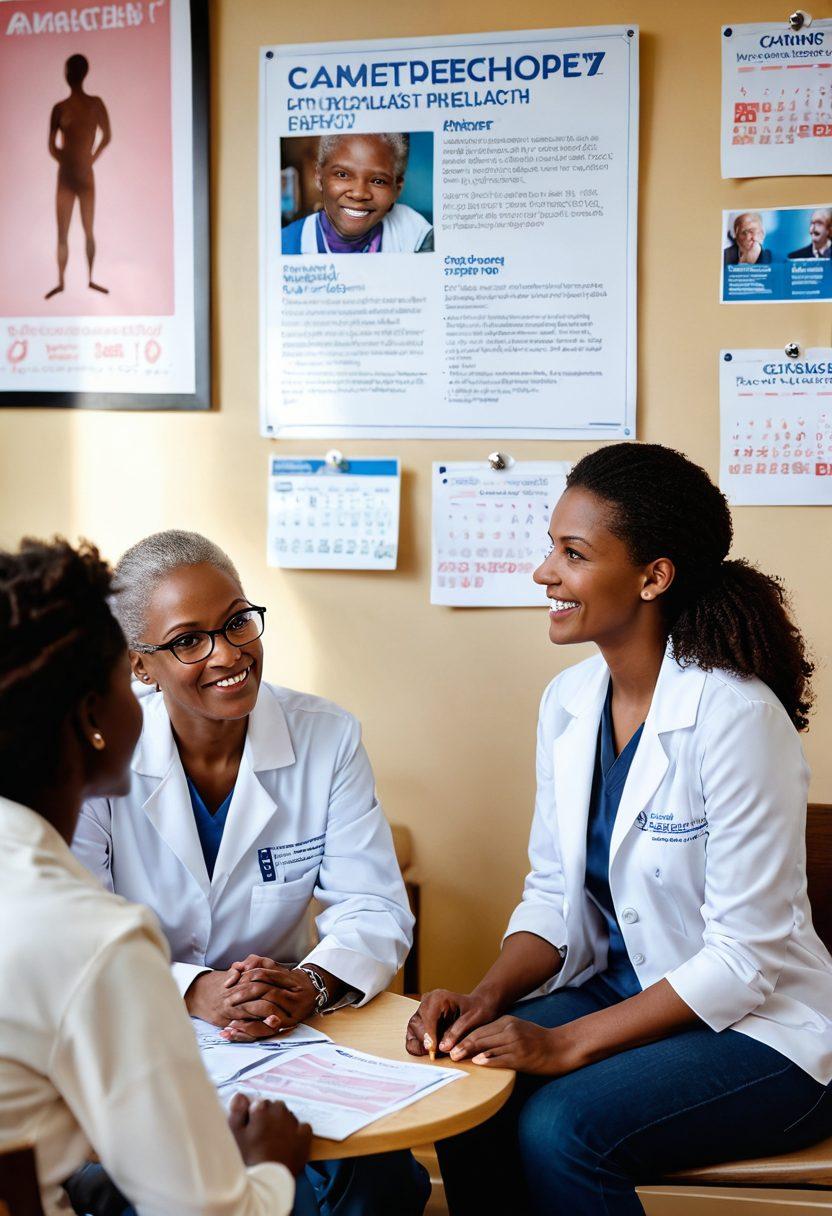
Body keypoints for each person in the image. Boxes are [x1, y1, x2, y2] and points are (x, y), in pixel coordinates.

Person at [406, 443, 832, 1216]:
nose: (545, 573)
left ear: (653, 576)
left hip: (764, 1031)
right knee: (468, 1083)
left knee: (563, 1128)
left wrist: (563, 1043)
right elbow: (550, 895)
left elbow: (743, 958)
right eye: (551, 548)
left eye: (572, 553)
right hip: (617, 986)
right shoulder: (569, 702)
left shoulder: (735, 717)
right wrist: (488, 997)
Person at [72, 528, 428, 1215]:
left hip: (285, 1038)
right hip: (141, 1032)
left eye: (237, 621)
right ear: (141, 667)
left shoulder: (326, 735)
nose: (228, 654)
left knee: (378, 1178)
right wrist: (195, 989)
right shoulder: (96, 752)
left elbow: (375, 906)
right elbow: (79, 932)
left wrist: (312, 983)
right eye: (188, 640)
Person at [0, 537, 315, 1216]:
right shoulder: (95, 939)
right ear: (94, 716)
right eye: (129, 680)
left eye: (236, 624)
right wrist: (269, 1166)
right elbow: (208, 1213)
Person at [281, 133, 433, 254]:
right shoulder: (286, 244)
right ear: (319, 178)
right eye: (342, 175)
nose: (359, 194)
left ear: (397, 189)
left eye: (378, 181)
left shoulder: (413, 232)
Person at [46, 54, 111, 299]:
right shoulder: (60, 108)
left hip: (82, 174)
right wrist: (74, 160)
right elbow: (51, 146)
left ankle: (90, 278)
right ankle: (62, 281)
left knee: (87, 229)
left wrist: (89, 159)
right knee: (63, 232)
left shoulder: (94, 104)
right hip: (70, 175)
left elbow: (107, 136)